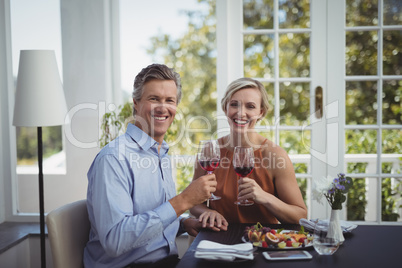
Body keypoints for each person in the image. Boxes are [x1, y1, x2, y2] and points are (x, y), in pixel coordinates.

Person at [84, 64, 222, 268]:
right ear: (136, 103)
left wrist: (184, 223)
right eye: (154, 99)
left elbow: (152, 218)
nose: (162, 107)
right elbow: (115, 240)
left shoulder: (162, 153)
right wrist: (183, 201)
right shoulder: (114, 158)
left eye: (170, 101)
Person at [190, 77, 307, 230]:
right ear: (225, 108)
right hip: (218, 241)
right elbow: (194, 203)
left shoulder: (275, 156)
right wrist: (208, 212)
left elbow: (301, 217)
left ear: (261, 112)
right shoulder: (210, 152)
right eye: (234, 104)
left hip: (263, 243)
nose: (241, 113)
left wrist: (266, 198)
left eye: (250, 106)